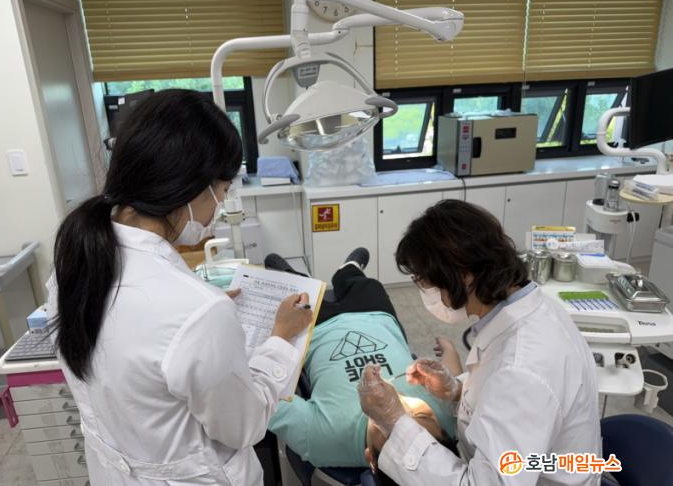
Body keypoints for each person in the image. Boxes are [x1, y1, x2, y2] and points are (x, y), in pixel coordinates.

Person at [47, 90, 313, 486]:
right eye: (223, 191)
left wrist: (201, 319)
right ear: (193, 188)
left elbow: (136, 343)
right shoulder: (196, 311)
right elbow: (243, 426)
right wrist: (280, 338)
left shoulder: (74, 260)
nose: (220, 205)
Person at [358, 200, 601, 485]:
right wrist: (457, 390)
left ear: (464, 275)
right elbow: (503, 399)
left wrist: (394, 422)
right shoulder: (525, 311)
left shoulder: (522, 368)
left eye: (426, 282)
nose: (427, 292)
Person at [263, 250, 459, 470]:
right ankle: (349, 270)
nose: (393, 401)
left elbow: (261, 396)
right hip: (377, 317)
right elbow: (456, 380)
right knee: (368, 286)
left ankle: (291, 274)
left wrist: (279, 334)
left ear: (370, 458)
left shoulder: (322, 439)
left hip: (317, 328)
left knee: (301, 293)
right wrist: (450, 350)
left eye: (385, 426)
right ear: (444, 432)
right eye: (418, 415)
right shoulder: (447, 418)